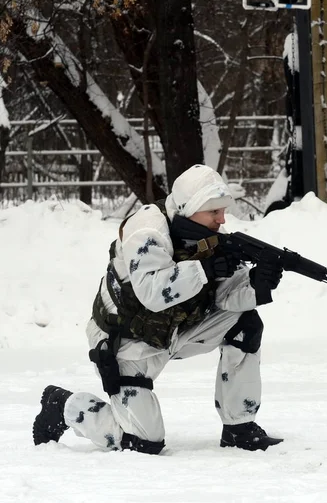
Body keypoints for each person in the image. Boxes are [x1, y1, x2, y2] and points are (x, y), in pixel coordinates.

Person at [33, 164, 284, 454]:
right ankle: (65, 405)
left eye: (222, 211)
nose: (222, 219)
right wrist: (205, 269)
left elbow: (225, 297)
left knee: (245, 324)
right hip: (126, 343)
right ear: (190, 207)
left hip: (175, 330)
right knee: (144, 444)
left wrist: (255, 285)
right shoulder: (148, 231)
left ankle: (240, 428)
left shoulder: (208, 232)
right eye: (214, 212)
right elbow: (152, 293)